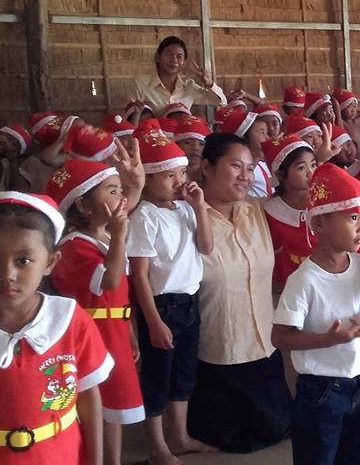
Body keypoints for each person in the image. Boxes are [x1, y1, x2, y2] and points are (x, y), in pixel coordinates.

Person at [273, 163, 360, 465]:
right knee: (318, 457)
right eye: (352, 218)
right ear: (320, 224)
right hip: (321, 390)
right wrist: (328, 339)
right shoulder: (304, 280)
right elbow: (281, 337)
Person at [186, 133, 294, 453]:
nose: (245, 176)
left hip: (265, 346)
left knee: (278, 426)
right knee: (229, 437)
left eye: (250, 168)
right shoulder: (184, 217)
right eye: (236, 166)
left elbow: (303, 194)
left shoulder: (259, 210)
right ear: (206, 167)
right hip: (220, 351)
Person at [126, 120, 215, 465]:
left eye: (181, 173)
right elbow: (140, 278)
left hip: (189, 301)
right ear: (147, 179)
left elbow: (206, 247)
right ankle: (156, 444)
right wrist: (153, 322)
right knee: (157, 376)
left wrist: (199, 207)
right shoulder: (143, 218)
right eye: (169, 176)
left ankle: (179, 436)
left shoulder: (183, 209)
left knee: (184, 371)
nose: (180, 181)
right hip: (162, 306)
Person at [0, 192, 113, 464]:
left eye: (23, 261)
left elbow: (87, 396)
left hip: (59, 454)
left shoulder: (68, 319)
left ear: (50, 262)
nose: (7, 275)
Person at [47, 159, 146, 465]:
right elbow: (110, 280)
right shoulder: (74, 246)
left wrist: (130, 332)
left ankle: (113, 460)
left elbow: (121, 297)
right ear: (85, 206)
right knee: (98, 402)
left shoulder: (103, 235)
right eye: (113, 191)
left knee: (113, 405)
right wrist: (118, 236)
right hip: (94, 335)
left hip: (115, 330)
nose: (122, 198)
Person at [262, 135, 318, 291]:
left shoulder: (323, 203)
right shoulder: (270, 211)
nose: (310, 173)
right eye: (301, 167)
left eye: (313, 165)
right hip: (284, 290)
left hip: (322, 286)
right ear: (280, 175)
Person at [129, 36, 227, 117]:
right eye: (169, 54)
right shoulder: (140, 83)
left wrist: (209, 83)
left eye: (179, 56)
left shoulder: (189, 86)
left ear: (184, 62)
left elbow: (221, 102)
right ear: (157, 57)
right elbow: (131, 115)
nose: (174, 60)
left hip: (182, 139)